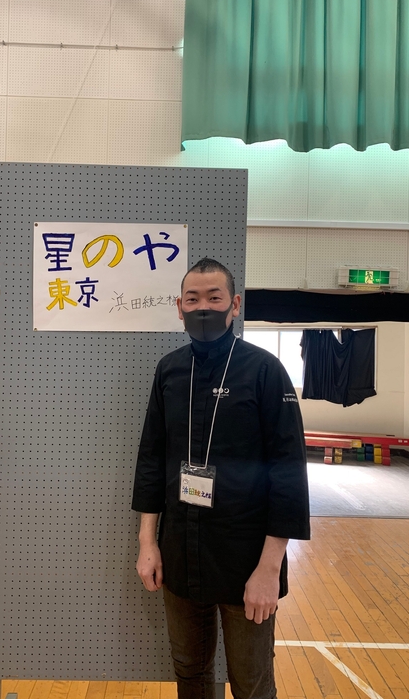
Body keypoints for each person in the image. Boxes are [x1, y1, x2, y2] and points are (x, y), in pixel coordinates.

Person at [131, 258, 310, 699]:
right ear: (179, 306)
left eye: (214, 298)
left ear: (235, 305)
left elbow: (289, 475)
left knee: (251, 683)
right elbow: (152, 459)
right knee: (190, 672)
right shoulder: (169, 370)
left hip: (245, 556)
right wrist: (148, 543)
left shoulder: (265, 371)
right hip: (181, 552)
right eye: (192, 299)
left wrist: (269, 569)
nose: (203, 308)